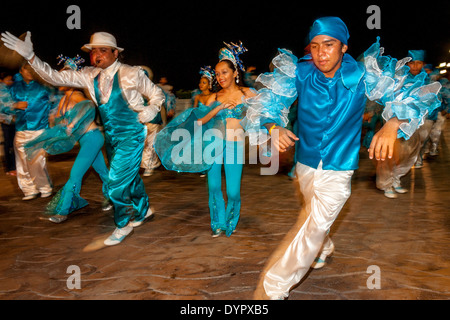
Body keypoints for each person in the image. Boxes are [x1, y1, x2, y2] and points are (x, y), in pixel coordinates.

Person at [244, 17, 441, 300]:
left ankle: (273, 288)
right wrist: (274, 127)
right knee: (314, 218)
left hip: (340, 167)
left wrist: (391, 124)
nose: (321, 53)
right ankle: (323, 248)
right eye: (315, 46)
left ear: (344, 47)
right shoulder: (299, 73)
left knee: (313, 224)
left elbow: (413, 94)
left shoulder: (362, 74)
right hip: (305, 163)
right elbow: (266, 103)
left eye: (329, 45)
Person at [1, 31, 165, 245]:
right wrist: (31, 57)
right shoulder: (89, 75)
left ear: (115, 53)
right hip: (111, 137)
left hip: (132, 134)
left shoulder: (130, 73)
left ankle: (123, 224)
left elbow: (157, 94)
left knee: (116, 181)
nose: (97, 54)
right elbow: (54, 77)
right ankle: (144, 210)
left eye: (103, 50)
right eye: (93, 51)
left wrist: (153, 108)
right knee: (129, 177)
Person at [155, 41, 256, 237]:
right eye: (217, 74)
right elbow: (200, 121)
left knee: (233, 191)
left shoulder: (248, 94)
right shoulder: (214, 98)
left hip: (234, 145)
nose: (220, 77)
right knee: (214, 186)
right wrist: (220, 107)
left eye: (224, 72)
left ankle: (231, 219)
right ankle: (218, 223)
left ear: (235, 73)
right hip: (214, 144)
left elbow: (260, 114)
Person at [25, 55, 110, 223]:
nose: (59, 81)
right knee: (102, 172)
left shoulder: (77, 95)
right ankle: (116, 197)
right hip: (85, 140)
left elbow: (88, 106)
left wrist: (73, 123)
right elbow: (57, 122)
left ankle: (63, 211)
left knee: (75, 174)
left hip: (92, 138)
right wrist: (56, 121)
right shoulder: (63, 100)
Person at [8, 63, 54, 200]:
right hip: (21, 130)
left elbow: (55, 103)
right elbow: (5, 105)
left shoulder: (44, 86)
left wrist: (53, 117)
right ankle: (29, 190)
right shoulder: (14, 88)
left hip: (39, 129)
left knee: (37, 161)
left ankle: (44, 187)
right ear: (21, 70)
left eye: (32, 69)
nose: (29, 72)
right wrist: (14, 105)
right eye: (26, 69)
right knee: (22, 162)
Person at [0, 70, 16, 176]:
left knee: (12, 143)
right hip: (7, 120)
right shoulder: (2, 90)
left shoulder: (10, 89)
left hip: (12, 120)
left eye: (11, 80)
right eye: (7, 80)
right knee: (9, 144)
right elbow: (4, 107)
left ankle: (12, 167)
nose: (10, 81)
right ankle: (10, 168)